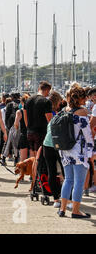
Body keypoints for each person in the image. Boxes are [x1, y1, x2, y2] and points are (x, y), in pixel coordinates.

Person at [58, 85, 95, 219]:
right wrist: (91, 151)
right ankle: (75, 210)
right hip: (78, 152)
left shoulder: (65, 110)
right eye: (84, 96)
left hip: (65, 151)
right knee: (79, 182)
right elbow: (87, 134)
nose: (86, 98)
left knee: (68, 180)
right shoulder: (82, 112)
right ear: (80, 97)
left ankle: (62, 209)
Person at [41, 91, 65, 208]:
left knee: (51, 171)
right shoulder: (61, 113)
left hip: (47, 143)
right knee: (65, 172)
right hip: (59, 144)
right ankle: (67, 200)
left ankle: (56, 200)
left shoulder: (50, 112)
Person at [24, 81, 53, 157]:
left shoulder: (28, 100)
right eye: (48, 92)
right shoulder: (46, 102)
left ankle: (33, 169)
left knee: (32, 158)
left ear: (39, 88)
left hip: (30, 131)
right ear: (47, 90)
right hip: (41, 132)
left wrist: (28, 128)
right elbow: (50, 120)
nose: (48, 94)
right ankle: (37, 169)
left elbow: (25, 117)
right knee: (39, 158)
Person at [14, 94, 31, 162]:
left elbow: (16, 124)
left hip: (23, 134)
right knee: (32, 159)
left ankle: (22, 172)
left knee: (23, 158)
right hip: (31, 133)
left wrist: (17, 128)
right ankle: (32, 172)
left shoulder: (19, 112)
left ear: (21, 102)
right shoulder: (32, 111)